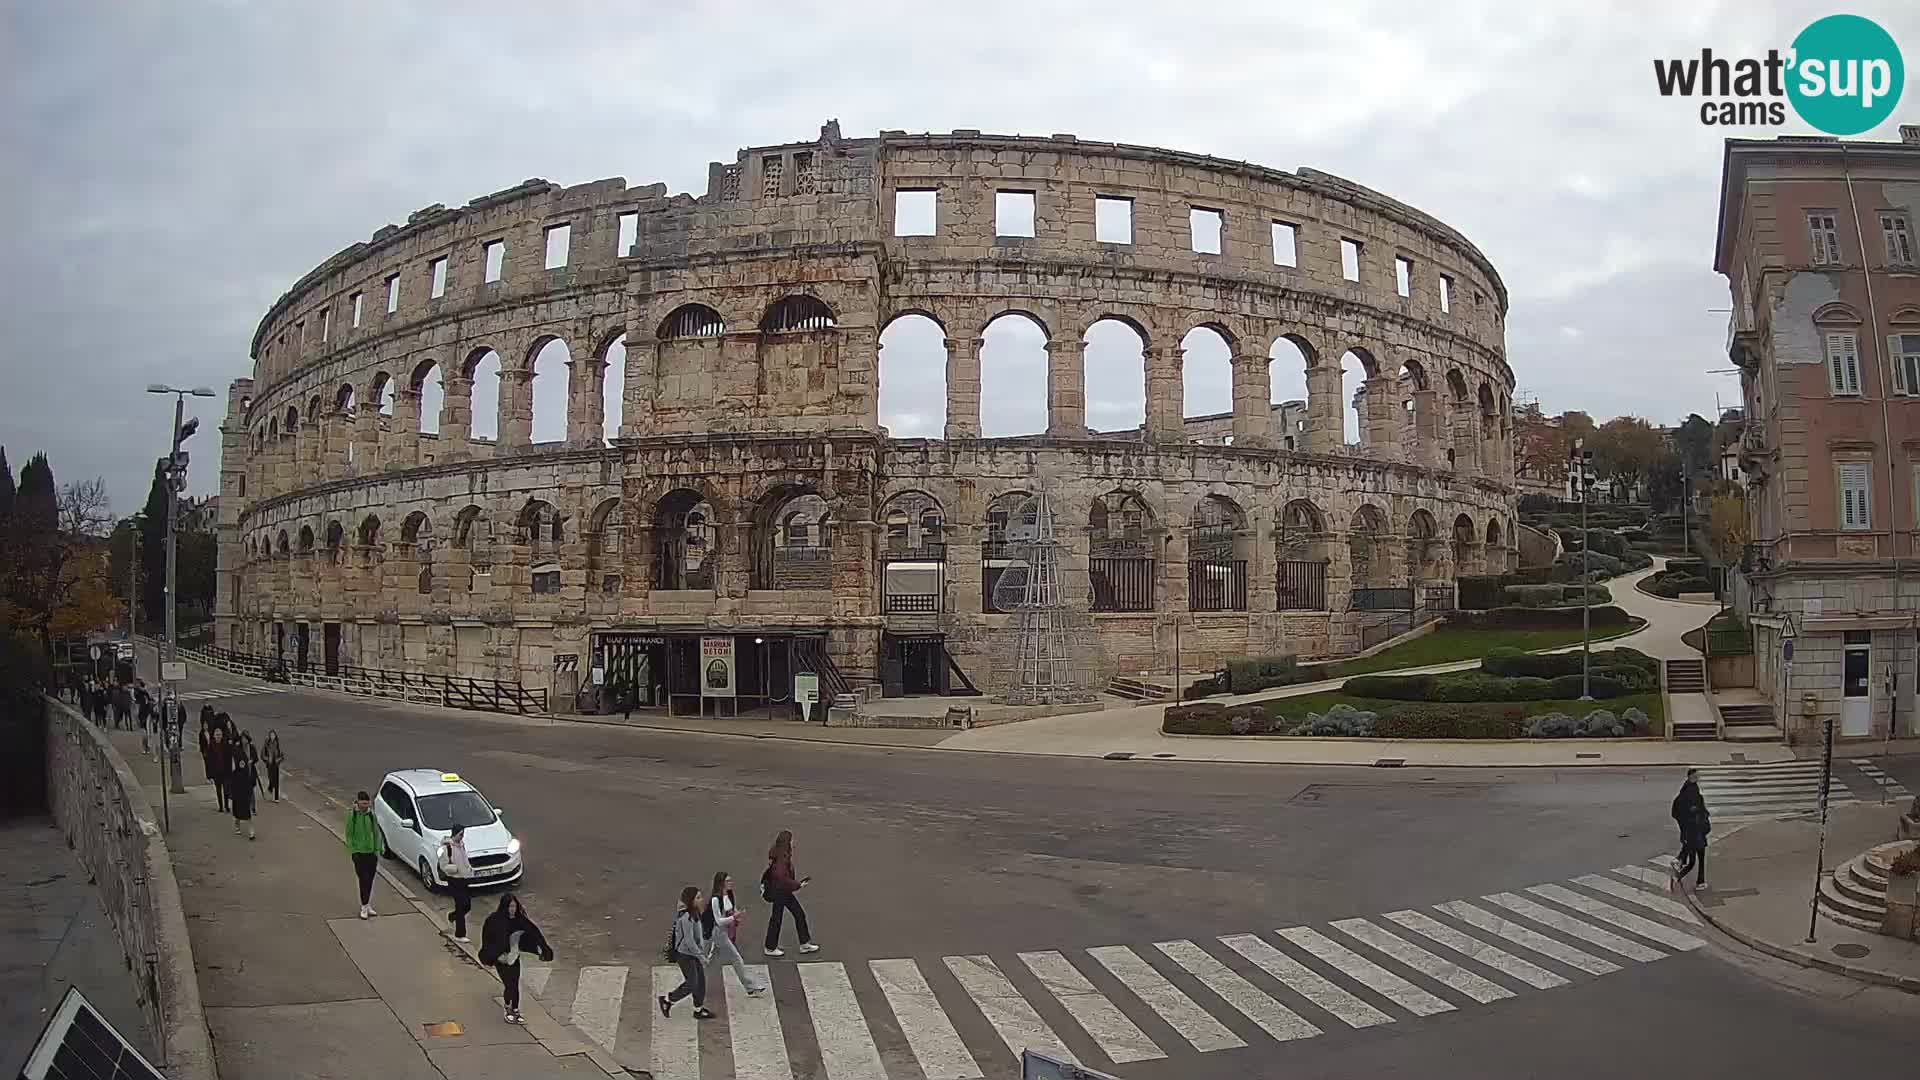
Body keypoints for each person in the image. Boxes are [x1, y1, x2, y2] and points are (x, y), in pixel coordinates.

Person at [480, 893, 553, 1025]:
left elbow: (535, 933)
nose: (512, 909)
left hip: (514, 957)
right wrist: (488, 958)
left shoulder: (520, 920)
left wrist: (544, 949)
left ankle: (515, 1009)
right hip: (500, 959)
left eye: (514, 906)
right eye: (510, 906)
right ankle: (508, 1007)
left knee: (515, 984)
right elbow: (487, 940)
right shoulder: (494, 920)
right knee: (509, 985)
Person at [704, 871, 767, 996]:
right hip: (719, 933)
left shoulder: (729, 894)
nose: (730, 883)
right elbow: (718, 921)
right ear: (720, 883)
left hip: (728, 931)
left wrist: (736, 914)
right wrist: (734, 917)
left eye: (730, 880)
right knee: (736, 958)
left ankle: (692, 982)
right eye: (727, 881)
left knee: (710, 962)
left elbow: (731, 909)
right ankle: (750, 986)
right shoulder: (715, 900)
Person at [658, 887, 715, 1020]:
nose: (701, 900)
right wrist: (701, 957)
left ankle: (698, 1009)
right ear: (691, 901)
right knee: (692, 983)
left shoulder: (695, 913)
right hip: (685, 955)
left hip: (693, 953)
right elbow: (689, 941)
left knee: (700, 982)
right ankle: (667, 1000)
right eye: (698, 898)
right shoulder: (686, 917)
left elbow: (698, 935)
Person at [762, 829, 818, 956]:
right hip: (780, 891)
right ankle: (771, 947)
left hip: (781, 890)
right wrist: (798, 884)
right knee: (783, 917)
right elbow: (781, 877)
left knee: (795, 915)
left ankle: (803, 943)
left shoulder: (779, 853)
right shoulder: (782, 858)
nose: (794, 842)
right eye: (792, 840)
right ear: (787, 842)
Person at [345, 791, 385, 918]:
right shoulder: (353, 815)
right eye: (363, 803)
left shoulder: (371, 815)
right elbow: (349, 834)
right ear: (358, 802)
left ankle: (367, 905)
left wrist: (377, 849)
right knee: (363, 880)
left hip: (371, 853)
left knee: (370, 880)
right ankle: (364, 907)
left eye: (367, 803)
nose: (365, 806)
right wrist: (353, 851)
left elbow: (376, 832)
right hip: (359, 854)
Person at [1672, 768, 1710, 888]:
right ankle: (1696, 880)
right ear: (1690, 776)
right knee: (1695, 861)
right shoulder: (1690, 793)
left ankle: (1680, 864)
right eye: (1696, 776)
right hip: (1697, 836)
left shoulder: (1688, 789)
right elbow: (1699, 813)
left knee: (1694, 860)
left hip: (1694, 835)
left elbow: (1678, 810)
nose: (1698, 778)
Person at [438, 824, 474, 942]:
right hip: (453, 879)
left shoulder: (461, 845)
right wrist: (454, 869)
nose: (462, 837)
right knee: (460, 905)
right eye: (460, 834)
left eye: (463, 834)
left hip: (463, 878)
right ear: (455, 834)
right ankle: (460, 934)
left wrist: (469, 869)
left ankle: (452, 916)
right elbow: (443, 866)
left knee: (467, 905)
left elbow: (465, 859)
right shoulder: (446, 848)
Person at [226, 736, 257, 840]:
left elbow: (244, 772)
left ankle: (251, 831)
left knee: (245, 809)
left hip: (242, 786)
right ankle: (237, 826)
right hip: (235, 786)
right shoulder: (231, 754)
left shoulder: (239, 755)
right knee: (236, 809)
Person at [207, 727, 231, 813]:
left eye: (220, 734)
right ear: (214, 736)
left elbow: (229, 758)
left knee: (226, 790)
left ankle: (227, 806)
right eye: (217, 735)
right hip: (216, 772)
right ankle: (221, 806)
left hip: (225, 771)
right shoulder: (211, 746)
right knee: (218, 790)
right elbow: (209, 761)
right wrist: (209, 775)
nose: (218, 736)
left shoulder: (225, 744)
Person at [261, 731, 285, 801]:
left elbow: (282, 754)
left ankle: (276, 798)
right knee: (271, 779)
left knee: (276, 781)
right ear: (269, 736)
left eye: (273, 735)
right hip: (270, 764)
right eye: (271, 735)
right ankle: (269, 789)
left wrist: (280, 759)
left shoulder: (277, 743)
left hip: (276, 764)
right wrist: (267, 759)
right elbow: (262, 755)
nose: (272, 736)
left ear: (275, 736)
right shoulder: (266, 744)